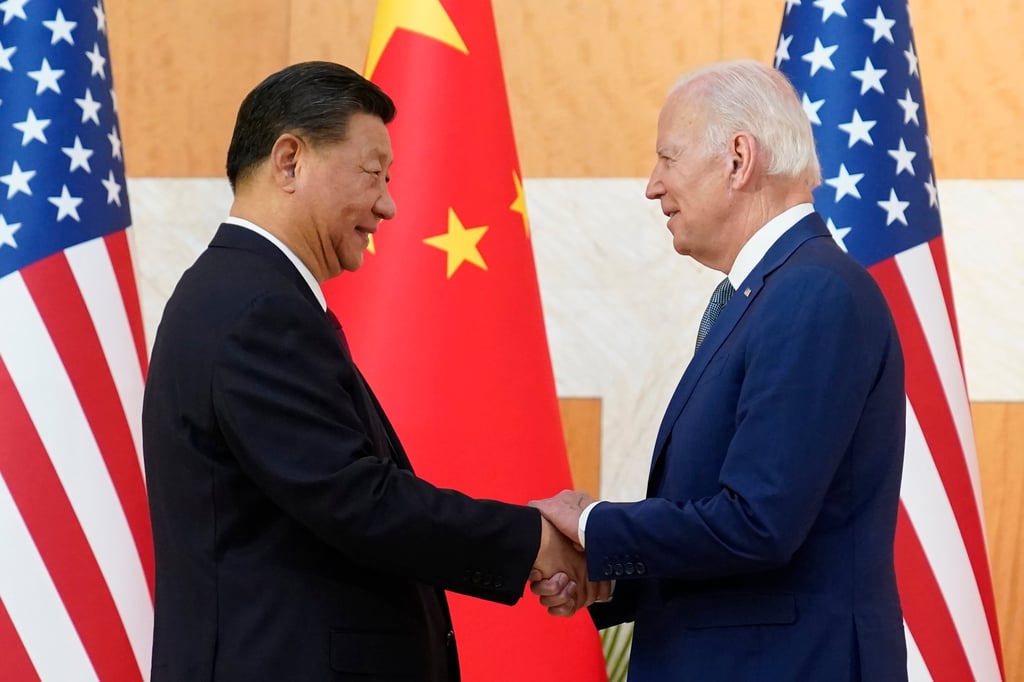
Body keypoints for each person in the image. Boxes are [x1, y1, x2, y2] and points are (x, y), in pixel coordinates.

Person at [141, 61, 588, 682]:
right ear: (290, 160)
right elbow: (358, 500)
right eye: (373, 173)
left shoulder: (241, 293)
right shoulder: (256, 307)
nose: (389, 204)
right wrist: (532, 542)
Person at [531, 60, 908, 681]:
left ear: (738, 159)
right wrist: (612, 574)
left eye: (667, 158)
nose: (652, 186)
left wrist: (596, 525)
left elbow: (759, 523)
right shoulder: (773, 293)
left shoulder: (813, 292)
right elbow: (737, 523)